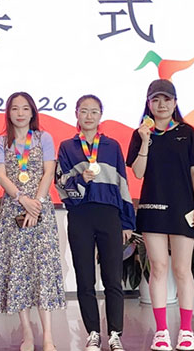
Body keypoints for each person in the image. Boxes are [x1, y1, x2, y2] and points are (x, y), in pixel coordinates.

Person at [126, 79, 194, 351]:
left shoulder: (187, 132)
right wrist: (145, 141)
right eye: (155, 100)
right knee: (158, 267)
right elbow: (138, 173)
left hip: (183, 209)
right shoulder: (140, 134)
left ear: (175, 103)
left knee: (182, 269)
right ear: (148, 104)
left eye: (166, 99)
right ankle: (161, 331)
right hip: (153, 209)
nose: (161, 105)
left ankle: (186, 331)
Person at [56, 94, 136, 351]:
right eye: (84, 111)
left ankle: (115, 333)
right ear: (76, 115)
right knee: (84, 277)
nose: (88, 116)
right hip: (80, 215)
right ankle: (92, 332)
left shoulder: (112, 146)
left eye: (94, 111)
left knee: (113, 277)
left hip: (109, 214)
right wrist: (80, 179)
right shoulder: (67, 147)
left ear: (101, 115)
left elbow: (123, 183)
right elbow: (60, 182)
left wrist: (127, 221)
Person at [0, 92, 66, 351]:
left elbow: (49, 171)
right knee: (18, 270)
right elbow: (1, 176)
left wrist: (37, 204)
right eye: (15, 109)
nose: (20, 113)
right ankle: (28, 335)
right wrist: (22, 199)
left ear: (33, 112)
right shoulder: (1, 142)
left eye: (25, 108)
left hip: (41, 209)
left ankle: (48, 336)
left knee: (42, 269)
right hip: (14, 209)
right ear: (8, 113)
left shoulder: (44, 138)